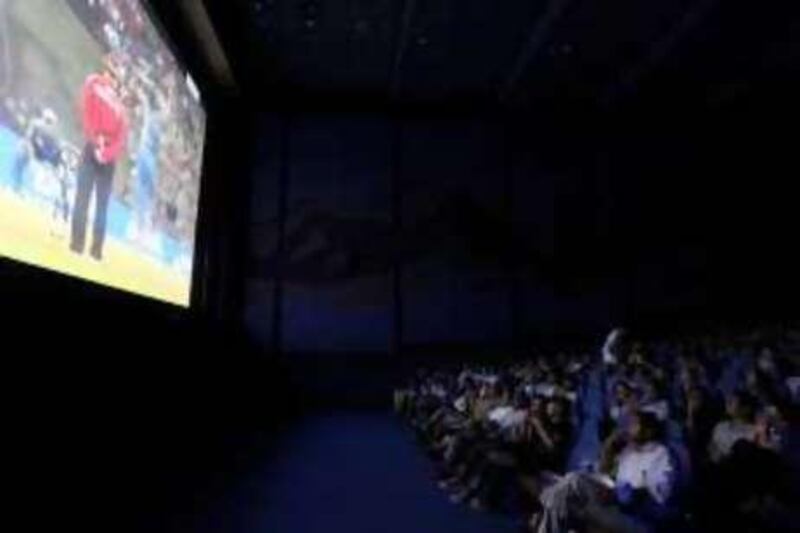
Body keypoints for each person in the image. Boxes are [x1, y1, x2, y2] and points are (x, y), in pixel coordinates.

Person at [532, 411, 676, 533]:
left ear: (649, 430)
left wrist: (621, 495)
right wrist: (608, 447)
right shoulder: (629, 452)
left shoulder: (661, 454)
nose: (628, 428)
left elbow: (660, 494)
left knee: (569, 489)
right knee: (564, 488)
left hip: (638, 519)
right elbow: (606, 475)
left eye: (633, 425)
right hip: (614, 508)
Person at [70, 54, 130, 260]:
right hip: (100, 152)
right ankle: (86, 250)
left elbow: (120, 136)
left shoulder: (117, 102)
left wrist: (101, 147)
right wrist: (101, 146)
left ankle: (85, 249)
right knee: (90, 201)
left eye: (115, 73)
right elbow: (87, 113)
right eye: (113, 72)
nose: (114, 77)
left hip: (100, 153)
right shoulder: (99, 88)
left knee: (93, 203)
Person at [708, 391, 758, 463]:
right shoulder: (720, 427)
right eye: (728, 400)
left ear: (746, 409)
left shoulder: (754, 431)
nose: (728, 402)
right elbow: (712, 450)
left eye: (733, 400)